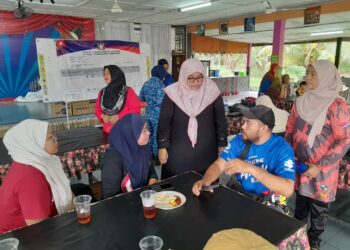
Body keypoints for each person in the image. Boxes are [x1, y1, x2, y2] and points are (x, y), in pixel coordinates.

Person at [285, 60, 350, 250]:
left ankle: (313, 244)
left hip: (322, 172)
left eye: (313, 74)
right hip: (300, 167)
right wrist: (288, 153)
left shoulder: (337, 106)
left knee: (318, 214)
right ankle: (297, 242)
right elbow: (290, 130)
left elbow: (345, 140)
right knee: (299, 209)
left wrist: (319, 166)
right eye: (308, 73)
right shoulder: (301, 101)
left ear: (326, 78)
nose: (307, 77)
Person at [192, 105, 295, 207]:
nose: (243, 126)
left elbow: (287, 189)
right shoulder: (239, 141)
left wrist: (250, 169)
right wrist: (205, 181)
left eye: (248, 123)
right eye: (243, 121)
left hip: (271, 201)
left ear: (263, 128)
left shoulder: (282, 149)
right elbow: (219, 165)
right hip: (241, 195)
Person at [157, 58, 227, 179]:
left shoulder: (212, 91)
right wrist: (162, 147)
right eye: (191, 78)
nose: (195, 82)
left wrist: (222, 144)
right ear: (184, 76)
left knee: (205, 189)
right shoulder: (173, 93)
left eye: (199, 77)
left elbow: (220, 120)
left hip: (206, 151)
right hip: (177, 152)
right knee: (176, 190)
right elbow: (164, 122)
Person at [0, 119, 72, 234]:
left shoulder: (31, 161)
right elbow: (38, 231)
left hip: (34, 222)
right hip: (18, 237)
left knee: (82, 189)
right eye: (50, 138)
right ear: (33, 144)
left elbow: (66, 190)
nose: (55, 139)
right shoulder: (31, 178)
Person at [101, 114, 158, 199]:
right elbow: (110, 197)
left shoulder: (144, 148)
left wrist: (152, 181)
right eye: (144, 130)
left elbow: (152, 173)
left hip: (144, 200)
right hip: (122, 207)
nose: (149, 133)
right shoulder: (112, 158)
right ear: (131, 134)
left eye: (147, 129)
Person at [95, 65, 141, 138]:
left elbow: (136, 109)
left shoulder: (128, 91)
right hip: (108, 133)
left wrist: (118, 116)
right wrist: (102, 116)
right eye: (104, 74)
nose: (105, 76)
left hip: (125, 132)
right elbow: (97, 109)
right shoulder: (102, 92)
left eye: (108, 73)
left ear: (115, 74)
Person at [139, 65, 167, 160]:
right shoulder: (161, 85)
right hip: (158, 116)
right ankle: (156, 156)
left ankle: (149, 156)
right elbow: (164, 101)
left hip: (148, 115)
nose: (164, 78)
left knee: (148, 135)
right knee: (156, 136)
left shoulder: (146, 84)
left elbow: (141, 98)